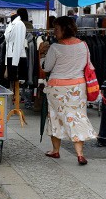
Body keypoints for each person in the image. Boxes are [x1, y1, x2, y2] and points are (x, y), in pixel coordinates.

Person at [39, 16, 97, 165]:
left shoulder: (55, 47)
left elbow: (46, 67)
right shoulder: (83, 45)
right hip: (78, 87)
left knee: (55, 118)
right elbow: (88, 65)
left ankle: (55, 150)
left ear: (65, 29)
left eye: (56, 29)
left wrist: (41, 55)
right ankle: (80, 154)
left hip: (57, 89)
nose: (54, 32)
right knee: (77, 116)